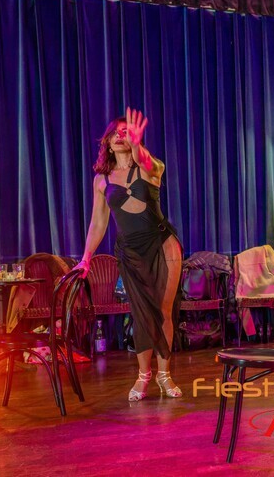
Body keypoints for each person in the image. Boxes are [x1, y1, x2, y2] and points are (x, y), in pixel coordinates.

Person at [74, 108, 183, 401]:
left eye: (127, 132)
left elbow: (147, 162)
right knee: (141, 314)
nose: (121, 136)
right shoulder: (101, 180)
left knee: (163, 311)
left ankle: (164, 375)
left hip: (163, 245)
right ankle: (143, 375)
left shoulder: (151, 166)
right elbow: (98, 223)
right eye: (116, 133)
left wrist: (137, 147)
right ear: (108, 143)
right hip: (130, 252)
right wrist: (85, 258)